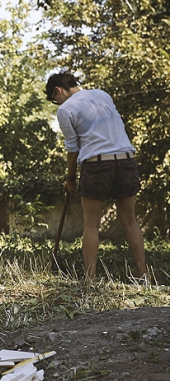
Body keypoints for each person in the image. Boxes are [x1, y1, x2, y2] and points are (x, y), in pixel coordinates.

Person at [45, 71, 146, 281]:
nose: (57, 103)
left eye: (55, 99)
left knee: (91, 224)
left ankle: (90, 282)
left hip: (97, 164)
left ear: (58, 91)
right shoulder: (102, 94)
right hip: (126, 160)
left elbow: (72, 149)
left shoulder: (66, 109)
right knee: (130, 221)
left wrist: (70, 179)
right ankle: (143, 277)